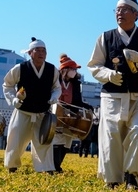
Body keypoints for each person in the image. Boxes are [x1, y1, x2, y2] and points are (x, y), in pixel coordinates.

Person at [87, 0, 138, 190]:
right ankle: (112, 179)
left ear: (136, 15)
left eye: (124, 9)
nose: (119, 13)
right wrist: (108, 74)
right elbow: (94, 65)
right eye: (117, 10)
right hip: (112, 96)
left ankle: (132, 175)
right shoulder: (104, 37)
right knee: (111, 135)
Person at [2, 38, 61, 173]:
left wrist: (54, 97)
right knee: (16, 139)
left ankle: (46, 169)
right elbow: (7, 85)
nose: (41, 53)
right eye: (38, 50)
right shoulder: (20, 68)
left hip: (42, 113)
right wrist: (13, 100)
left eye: (43, 51)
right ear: (30, 53)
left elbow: (56, 88)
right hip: (23, 112)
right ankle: (12, 166)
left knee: (44, 142)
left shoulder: (52, 70)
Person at [52, 54, 93, 172]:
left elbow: (77, 101)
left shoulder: (76, 83)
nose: (75, 71)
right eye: (73, 69)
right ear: (66, 69)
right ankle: (55, 166)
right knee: (58, 138)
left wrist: (87, 106)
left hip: (71, 115)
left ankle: (58, 165)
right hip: (57, 113)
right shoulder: (55, 80)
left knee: (67, 141)